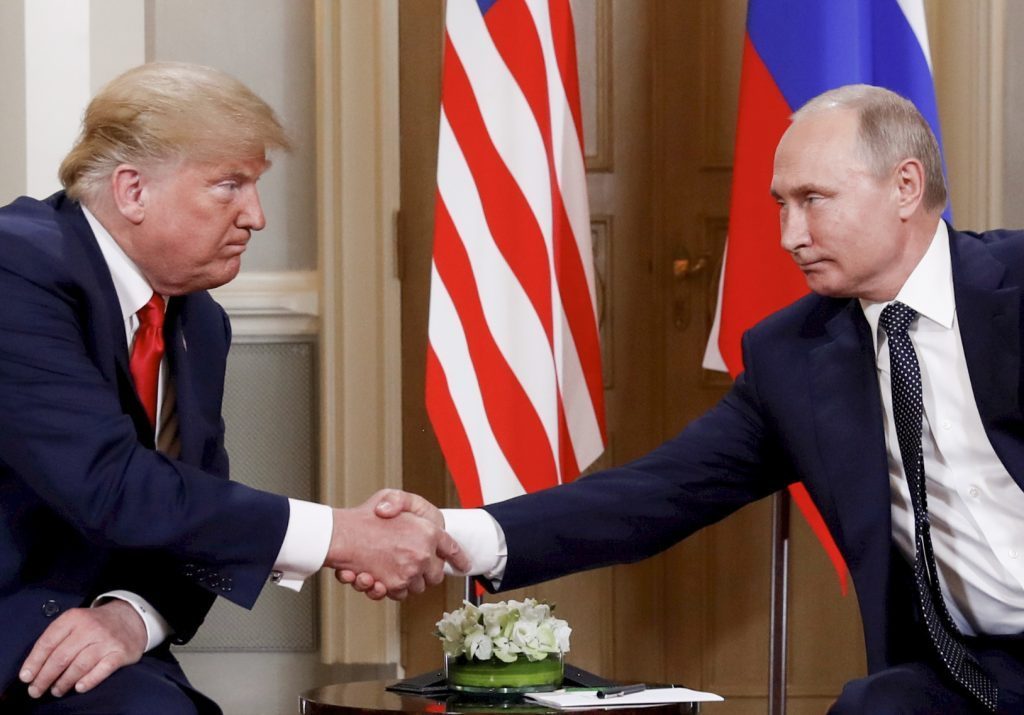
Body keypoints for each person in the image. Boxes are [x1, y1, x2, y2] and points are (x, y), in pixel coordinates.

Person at [354, 84, 1024, 713]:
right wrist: (456, 531)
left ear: (905, 186)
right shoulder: (793, 356)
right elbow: (658, 492)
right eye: (780, 204)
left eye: (814, 198)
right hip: (968, 671)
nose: (790, 235)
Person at [0, 61, 468, 714]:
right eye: (231, 185)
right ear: (133, 190)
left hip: (95, 643)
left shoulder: (197, 320)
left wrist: (132, 616)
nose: (257, 216)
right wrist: (339, 534)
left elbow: (197, 510)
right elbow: (111, 485)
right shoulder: (16, 268)